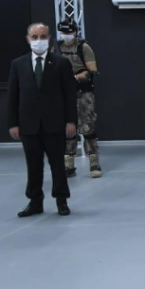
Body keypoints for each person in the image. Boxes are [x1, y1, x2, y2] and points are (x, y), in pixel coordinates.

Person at [7, 22, 78, 217]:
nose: (39, 40)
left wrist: (71, 121)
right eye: (35, 37)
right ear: (28, 39)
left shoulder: (61, 63)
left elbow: (69, 94)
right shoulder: (18, 64)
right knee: (33, 165)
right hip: (28, 124)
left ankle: (61, 200)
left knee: (57, 165)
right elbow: (13, 95)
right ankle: (35, 201)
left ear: (49, 38)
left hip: (54, 123)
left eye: (43, 36)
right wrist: (13, 123)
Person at [54, 15, 102, 179]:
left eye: (69, 33)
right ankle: (68, 165)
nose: (66, 36)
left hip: (83, 92)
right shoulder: (57, 47)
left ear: (75, 32)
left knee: (88, 127)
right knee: (68, 128)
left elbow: (92, 71)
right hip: (63, 93)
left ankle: (94, 162)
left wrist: (74, 77)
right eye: (63, 33)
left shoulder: (83, 47)